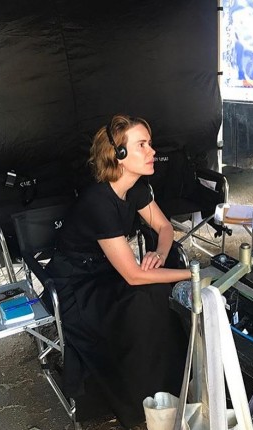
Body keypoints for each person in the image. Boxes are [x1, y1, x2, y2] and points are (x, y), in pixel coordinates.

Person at [45, 114, 191, 429]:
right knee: (144, 300)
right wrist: (193, 274)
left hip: (106, 272)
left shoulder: (136, 188)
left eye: (150, 144)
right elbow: (134, 276)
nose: (152, 151)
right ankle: (136, 402)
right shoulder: (98, 201)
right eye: (142, 145)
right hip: (76, 286)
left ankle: (168, 390)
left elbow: (164, 227)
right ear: (119, 155)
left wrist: (159, 253)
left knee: (158, 294)